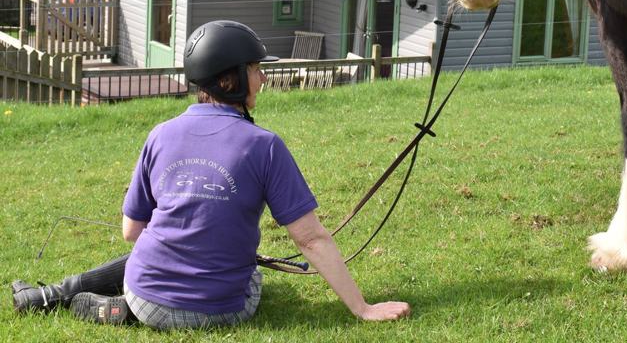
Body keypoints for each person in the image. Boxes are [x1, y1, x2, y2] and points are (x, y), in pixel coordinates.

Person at [12, 20, 410, 328]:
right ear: (228, 79)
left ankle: (57, 297)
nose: (264, 78)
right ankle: (88, 304)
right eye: (255, 69)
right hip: (223, 312)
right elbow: (310, 238)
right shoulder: (264, 144)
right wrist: (362, 307)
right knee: (249, 274)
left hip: (144, 297)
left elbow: (132, 232)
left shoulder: (161, 134)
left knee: (155, 248)